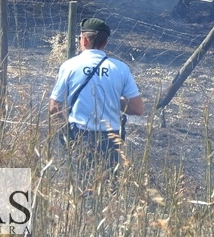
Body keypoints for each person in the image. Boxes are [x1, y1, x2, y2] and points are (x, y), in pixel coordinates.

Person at [49, 17, 144, 182]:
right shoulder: (120, 68)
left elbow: (54, 107)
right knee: (107, 187)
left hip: (79, 136)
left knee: (79, 186)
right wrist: (114, 100)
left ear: (84, 40)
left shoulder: (69, 66)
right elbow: (137, 109)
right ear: (105, 43)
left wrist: (67, 133)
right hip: (111, 139)